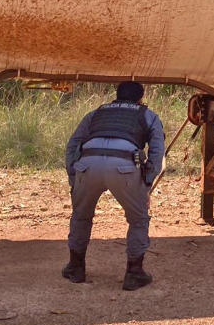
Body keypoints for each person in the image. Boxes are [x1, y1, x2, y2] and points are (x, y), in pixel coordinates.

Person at [62, 82, 165, 291]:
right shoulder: (148, 115)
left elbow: (73, 145)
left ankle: (75, 268)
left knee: (81, 216)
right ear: (140, 99)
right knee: (138, 220)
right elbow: (157, 152)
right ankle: (134, 274)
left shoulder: (96, 113)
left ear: (116, 96)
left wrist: (74, 177)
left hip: (87, 165)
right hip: (124, 168)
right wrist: (146, 183)